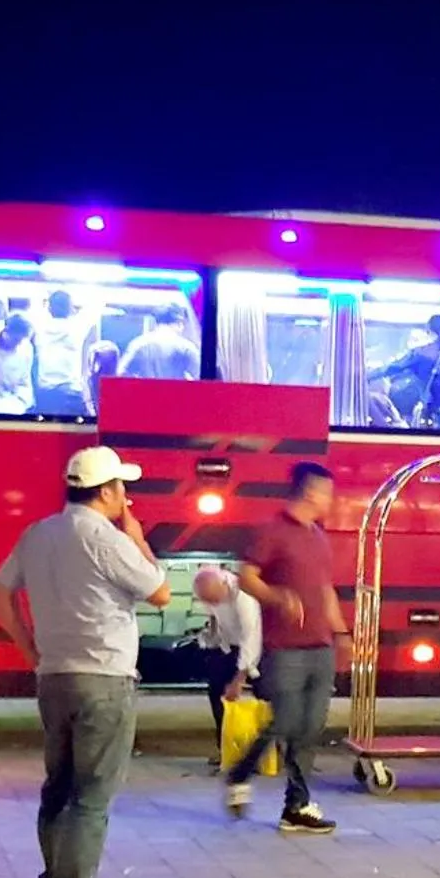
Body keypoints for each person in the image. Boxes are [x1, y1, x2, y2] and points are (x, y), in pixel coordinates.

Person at [0, 445, 171, 878]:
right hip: (105, 678)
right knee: (92, 792)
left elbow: (0, 591)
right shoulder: (106, 539)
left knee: (58, 786)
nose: (126, 497)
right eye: (122, 489)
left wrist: (30, 650)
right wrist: (135, 536)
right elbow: (160, 592)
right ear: (108, 491)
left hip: (54, 676)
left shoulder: (38, 533)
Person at [226, 462, 347, 834]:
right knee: (288, 721)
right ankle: (241, 773)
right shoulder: (271, 531)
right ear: (310, 492)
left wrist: (341, 633)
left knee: (310, 728)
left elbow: (325, 589)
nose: (331, 500)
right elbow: (246, 576)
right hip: (285, 649)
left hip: (320, 646)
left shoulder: (318, 536)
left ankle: (295, 807)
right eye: (327, 492)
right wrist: (276, 597)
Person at [194, 566, 262, 762]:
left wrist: (239, 679)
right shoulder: (208, 588)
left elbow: (252, 637)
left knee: (265, 697)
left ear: (224, 585)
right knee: (216, 692)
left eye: (215, 599)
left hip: (258, 646)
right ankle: (225, 749)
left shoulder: (243, 596)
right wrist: (210, 639)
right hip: (228, 646)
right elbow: (213, 616)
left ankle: (263, 752)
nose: (212, 603)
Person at [34, 290, 97, 416]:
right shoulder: (78, 326)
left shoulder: (38, 325)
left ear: (49, 308)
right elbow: (95, 306)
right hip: (71, 391)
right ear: (70, 307)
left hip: (45, 392)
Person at [120, 305, 201, 381]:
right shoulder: (186, 347)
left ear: (156, 322)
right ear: (179, 323)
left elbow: (121, 374)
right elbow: (201, 377)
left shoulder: (137, 344)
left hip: (145, 394)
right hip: (175, 395)